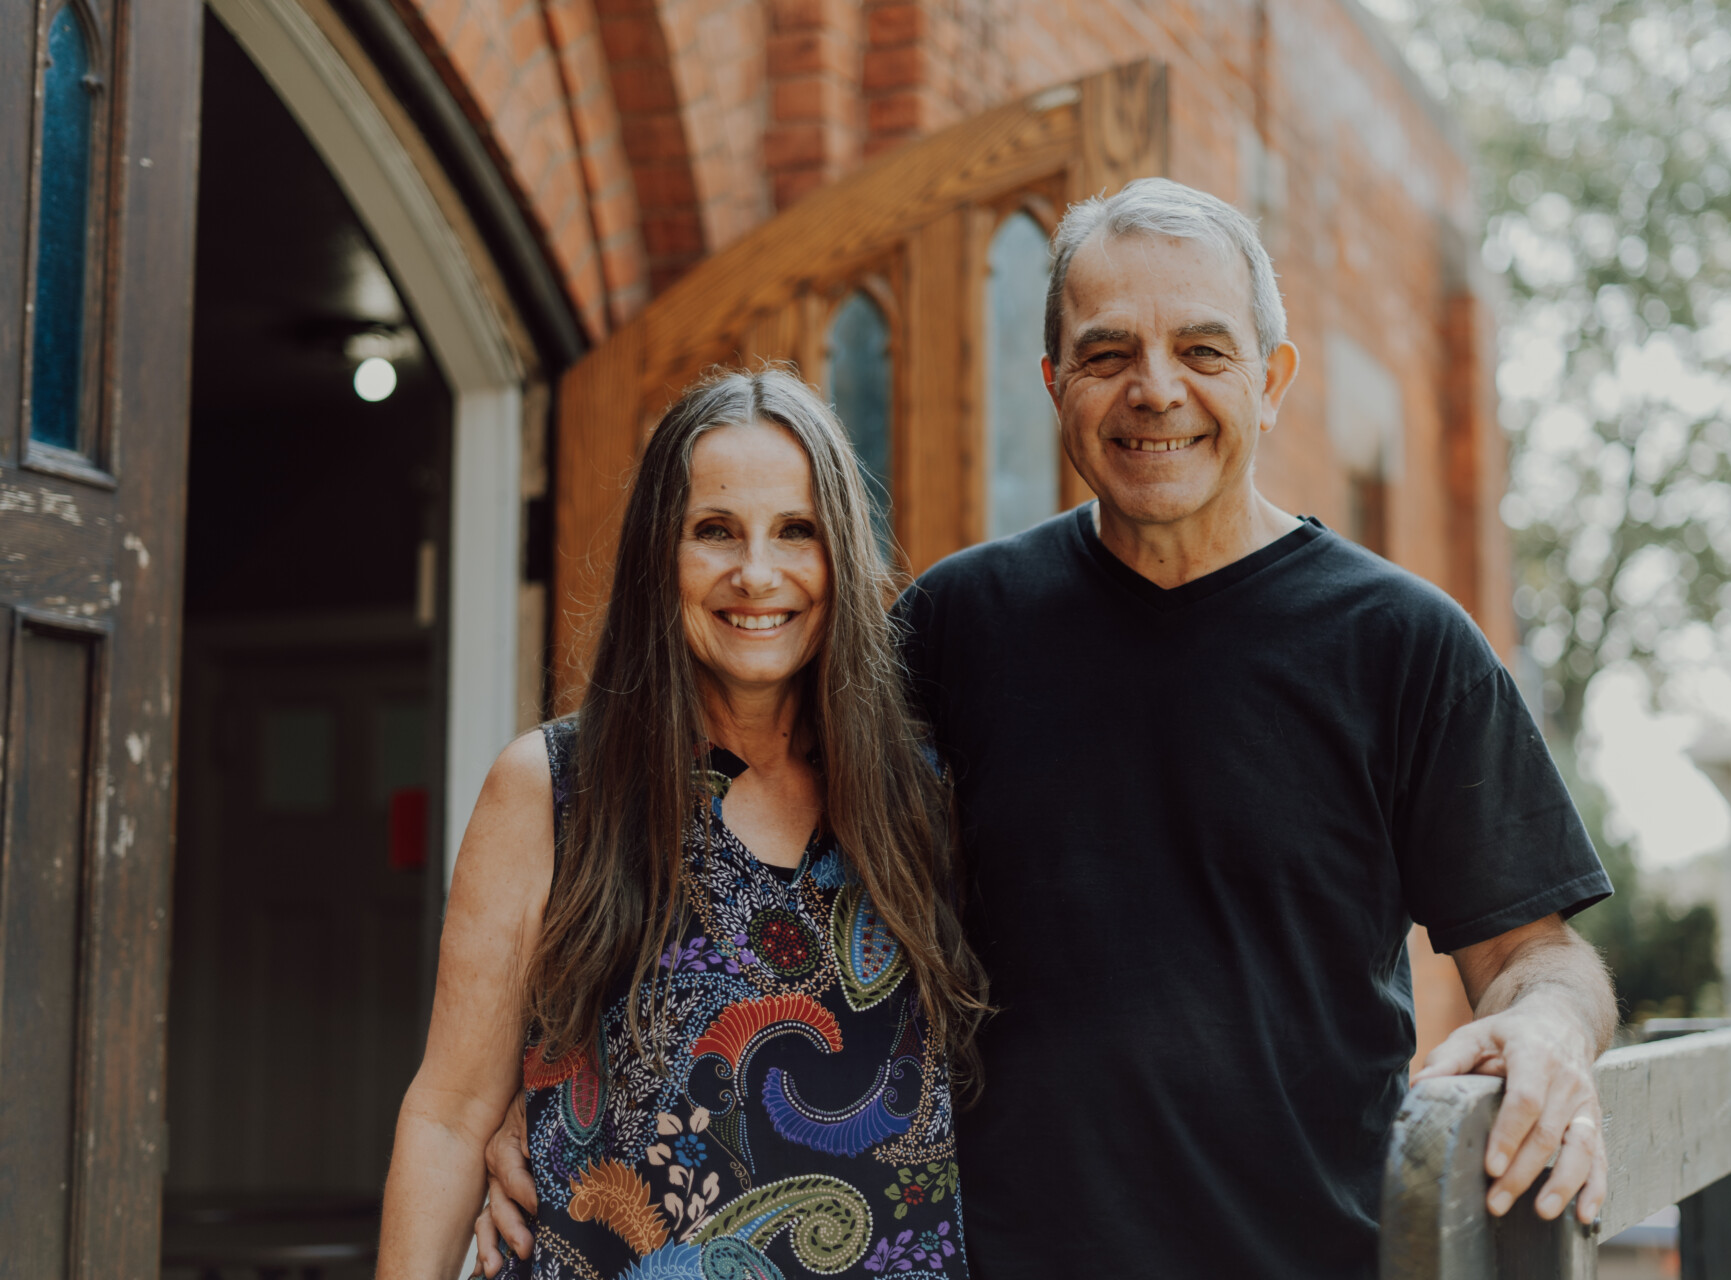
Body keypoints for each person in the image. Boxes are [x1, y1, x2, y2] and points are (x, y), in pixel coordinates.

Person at [482, 179, 1618, 1277]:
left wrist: (1555, 1030)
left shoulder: (1405, 644)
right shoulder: (957, 628)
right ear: (1055, 381)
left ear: (1271, 379)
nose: (1155, 390)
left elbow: (1537, 955)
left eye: (1204, 351)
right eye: (1109, 352)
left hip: (1313, 1257)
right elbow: (750, 882)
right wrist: (553, 1104)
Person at [378, 368, 987, 1280]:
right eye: (713, 532)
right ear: (657, 555)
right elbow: (451, 1110)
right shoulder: (555, 788)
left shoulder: (927, 789)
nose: (757, 573)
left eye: (796, 532)